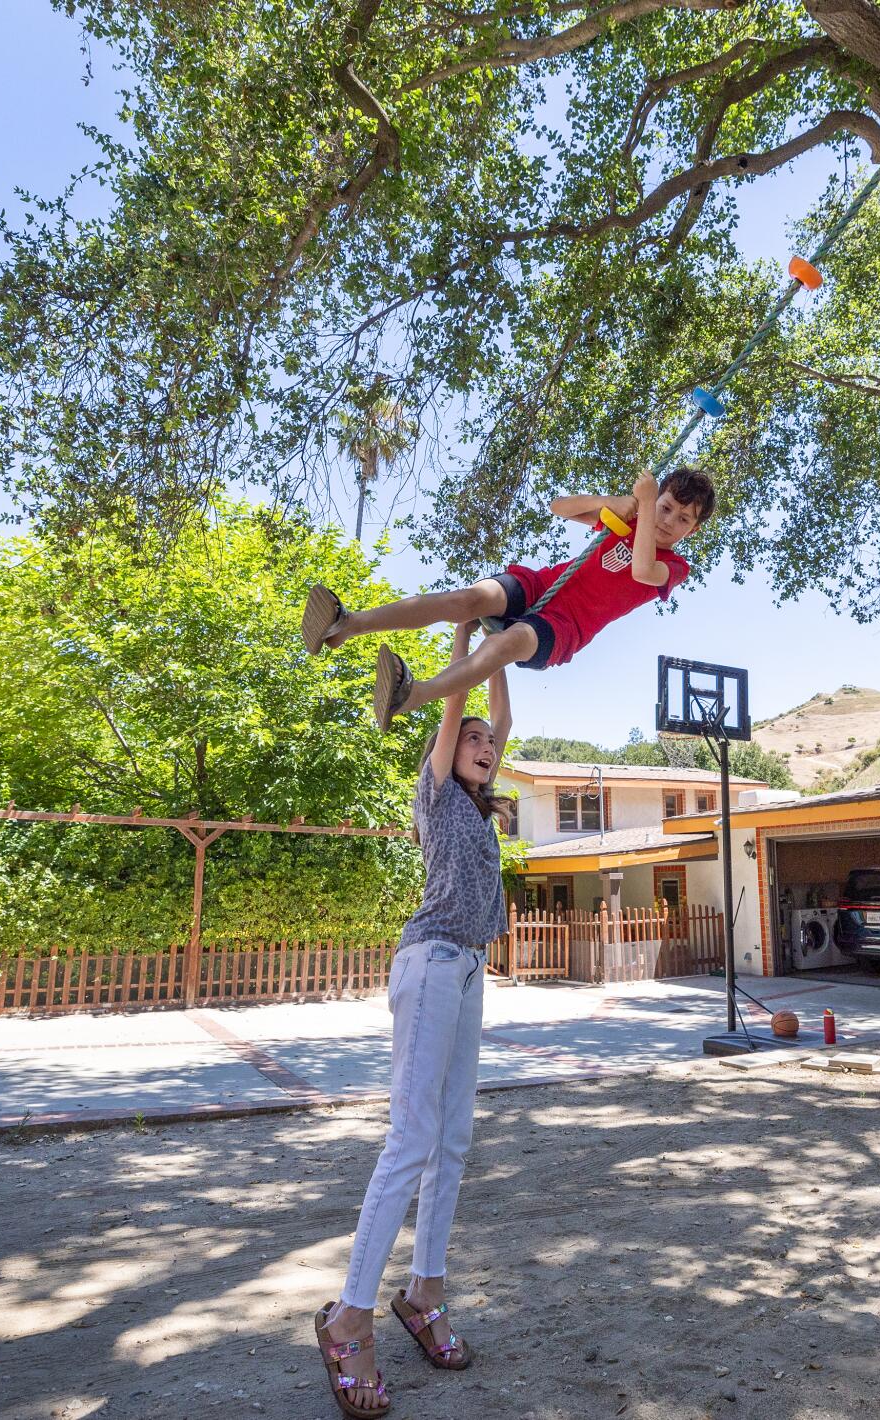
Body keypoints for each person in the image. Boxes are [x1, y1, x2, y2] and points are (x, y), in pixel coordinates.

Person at [313, 620, 513, 1417]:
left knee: (453, 1142)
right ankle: (348, 1316)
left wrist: (508, 649)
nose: (481, 745)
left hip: (468, 966)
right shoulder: (434, 793)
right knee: (412, 1138)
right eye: (468, 740)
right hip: (429, 959)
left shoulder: (485, 809)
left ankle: (424, 1292)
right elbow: (460, 703)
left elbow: (501, 715)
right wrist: (468, 630)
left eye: (487, 746)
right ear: (447, 748)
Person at [302, 467, 715, 731]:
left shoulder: (674, 566)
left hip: (563, 627)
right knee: (465, 600)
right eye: (664, 508)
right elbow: (560, 507)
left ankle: (412, 694)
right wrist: (608, 503)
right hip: (539, 586)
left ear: (692, 531)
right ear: (657, 500)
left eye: (682, 519)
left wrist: (643, 505)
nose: (666, 521)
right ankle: (346, 624)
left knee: (500, 645)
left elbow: (642, 569)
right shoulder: (629, 518)